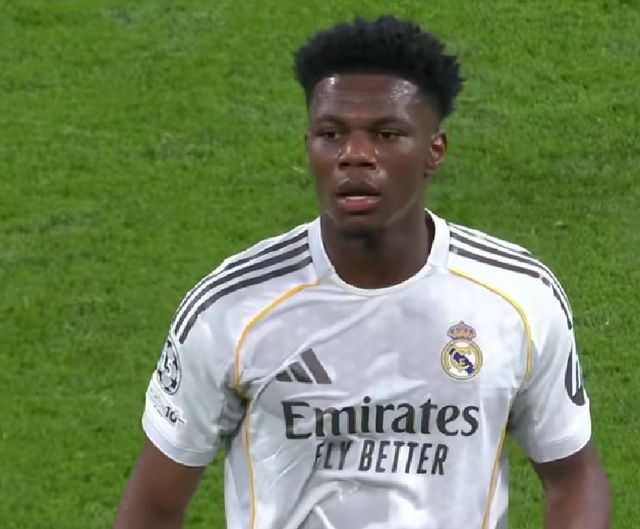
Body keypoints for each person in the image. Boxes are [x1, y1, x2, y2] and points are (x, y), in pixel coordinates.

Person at [114, 15, 610, 529]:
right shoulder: (230, 309)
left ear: (433, 151)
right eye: (331, 134)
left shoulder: (519, 297)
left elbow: (574, 477)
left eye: (386, 134)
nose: (354, 155)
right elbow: (152, 508)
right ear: (309, 145)